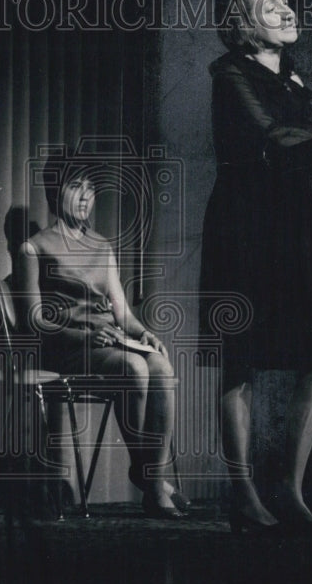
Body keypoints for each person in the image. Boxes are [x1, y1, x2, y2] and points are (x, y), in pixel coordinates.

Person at [200, 0, 312, 533]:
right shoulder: (230, 74)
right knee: (241, 361)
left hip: (293, 225)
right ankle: (243, 494)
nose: (286, 10)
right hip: (245, 226)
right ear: (243, 22)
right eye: (271, 4)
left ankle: (289, 488)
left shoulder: (294, 80)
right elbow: (271, 138)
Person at [16, 155, 190, 518]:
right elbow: (33, 320)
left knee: (160, 364)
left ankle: (149, 476)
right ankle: (154, 483)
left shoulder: (100, 245)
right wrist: (84, 334)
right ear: (55, 191)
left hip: (109, 342)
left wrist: (146, 333)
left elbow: (122, 312)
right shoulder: (34, 247)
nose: (85, 197)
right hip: (66, 347)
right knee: (134, 368)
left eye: (91, 189)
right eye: (75, 187)